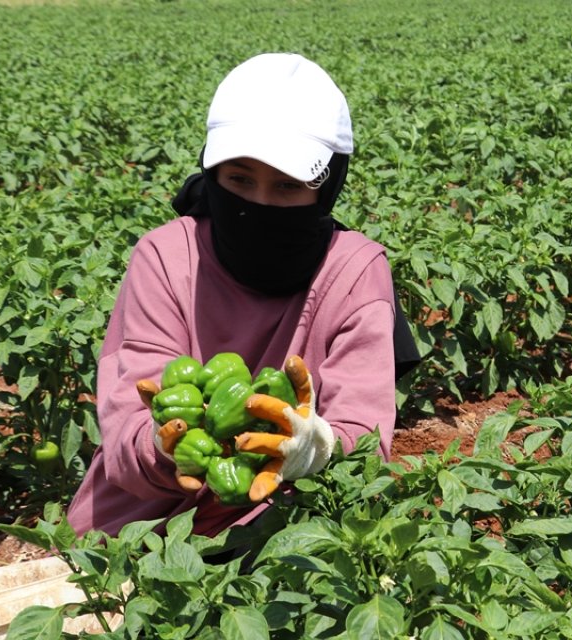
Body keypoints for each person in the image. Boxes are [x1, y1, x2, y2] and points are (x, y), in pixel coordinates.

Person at [68, 53, 418, 537]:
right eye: (239, 179)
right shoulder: (168, 257)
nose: (259, 203)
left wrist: (314, 447)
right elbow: (127, 430)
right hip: (141, 528)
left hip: (283, 530)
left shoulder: (353, 272)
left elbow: (364, 441)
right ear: (212, 174)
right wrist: (163, 444)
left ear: (328, 185)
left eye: (289, 185)